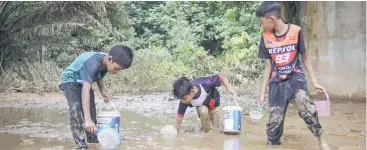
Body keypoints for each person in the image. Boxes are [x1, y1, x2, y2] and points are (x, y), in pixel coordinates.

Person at [255, 2, 330, 150]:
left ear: (271, 19)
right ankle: (273, 145)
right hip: (276, 82)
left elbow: (305, 58)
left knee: (305, 106)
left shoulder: (296, 31)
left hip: (295, 77)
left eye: (263, 21)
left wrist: (315, 82)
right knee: (274, 124)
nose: (262, 25)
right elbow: (268, 66)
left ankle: (321, 139)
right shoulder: (265, 38)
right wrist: (262, 93)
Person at [59, 45, 133, 149]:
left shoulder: (106, 61)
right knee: (75, 109)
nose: (116, 72)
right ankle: (80, 145)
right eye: (116, 69)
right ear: (110, 60)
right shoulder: (92, 63)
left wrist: (103, 90)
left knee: (91, 109)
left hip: (84, 81)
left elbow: (98, 74)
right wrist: (87, 120)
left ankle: (92, 139)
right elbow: (85, 91)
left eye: (119, 70)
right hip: (70, 81)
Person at [172, 74, 236, 133]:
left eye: (184, 99)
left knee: (216, 130)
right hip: (202, 108)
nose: (183, 101)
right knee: (204, 114)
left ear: (192, 91)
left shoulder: (206, 83)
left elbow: (221, 77)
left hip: (213, 104)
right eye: (181, 99)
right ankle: (206, 132)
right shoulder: (184, 101)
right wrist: (175, 133)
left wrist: (229, 89)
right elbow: (178, 122)